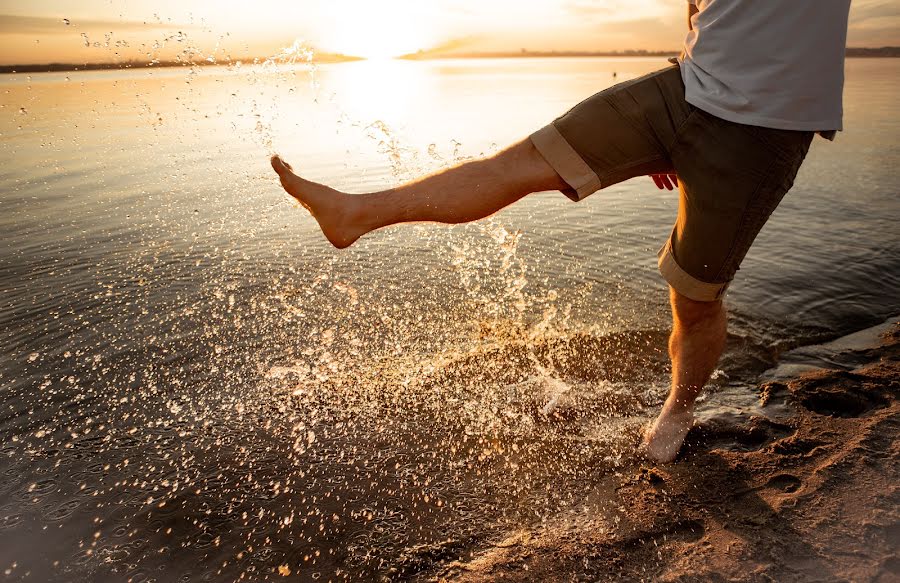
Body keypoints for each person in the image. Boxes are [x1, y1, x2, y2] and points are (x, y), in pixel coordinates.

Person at [271, 0, 851, 462]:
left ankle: (677, 409)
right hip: (680, 90)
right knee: (516, 164)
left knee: (694, 297)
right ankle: (355, 213)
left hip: (763, 128)